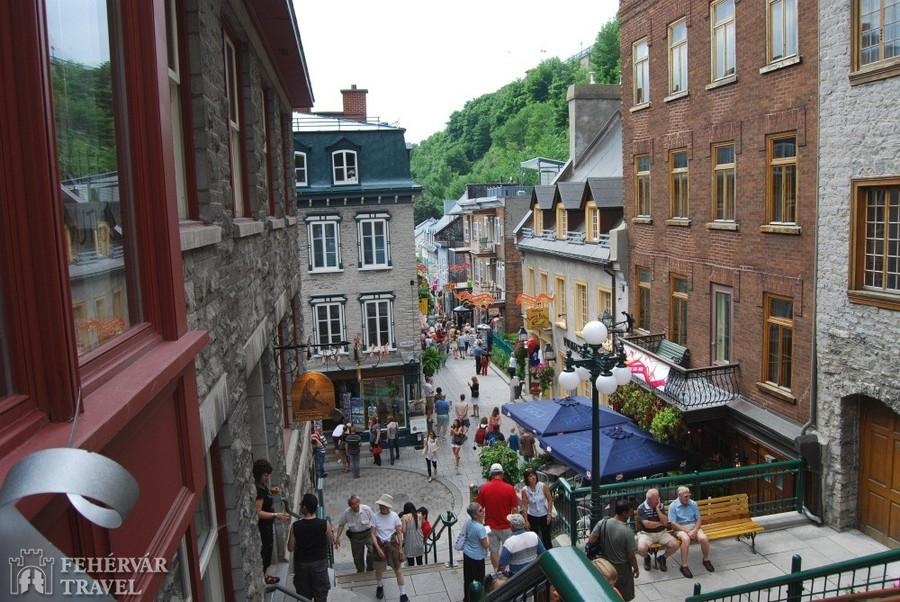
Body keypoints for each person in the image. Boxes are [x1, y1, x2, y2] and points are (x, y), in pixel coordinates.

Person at [587, 500, 639, 601]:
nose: (631, 514)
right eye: (630, 512)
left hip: (606, 566)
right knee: (624, 596)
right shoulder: (628, 532)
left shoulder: (603, 522)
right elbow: (631, 555)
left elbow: (591, 540)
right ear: (624, 513)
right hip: (622, 569)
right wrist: (636, 568)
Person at [288, 493, 334, 602]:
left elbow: (290, 547)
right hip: (319, 564)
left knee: (304, 597)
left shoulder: (296, 526)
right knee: (321, 596)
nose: (300, 506)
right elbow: (331, 541)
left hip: (302, 565)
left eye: (301, 504)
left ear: (305, 507)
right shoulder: (324, 524)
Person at [475, 463, 520, 571]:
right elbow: (515, 509)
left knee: (494, 551)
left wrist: (481, 523)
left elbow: (479, 508)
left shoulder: (484, 488)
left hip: (491, 526)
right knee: (510, 550)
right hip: (507, 526)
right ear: (502, 474)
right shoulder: (509, 488)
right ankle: (509, 571)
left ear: (491, 475)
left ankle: (498, 572)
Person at [254, 459, 290, 585]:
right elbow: (258, 512)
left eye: (268, 475)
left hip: (268, 525)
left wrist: (271, 491)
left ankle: (265, 575)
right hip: (264, 527)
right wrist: (276, 515)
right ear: (259, 474)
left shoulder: (262, 486)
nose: (267, 478)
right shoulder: (258, 491)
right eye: (265, 475)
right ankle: (264, 577)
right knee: (266, 550)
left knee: (268, 549)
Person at [668, 485, 714, 578]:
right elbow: (673, 524)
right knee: (686, 539)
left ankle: (706, 560)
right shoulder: (673, 506)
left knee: (704, 538)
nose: (688, 498)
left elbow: (698, 519)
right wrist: (687, 531)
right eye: (686, 496)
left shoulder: (693, 504)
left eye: (689, 496)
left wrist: (695, 530)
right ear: (679, 495)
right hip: (680, 528)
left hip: (693, 526)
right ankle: (684, 566)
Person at [371, 494, 409, 602]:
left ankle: (403, 594)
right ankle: (379, 586)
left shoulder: (394, 516)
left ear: (388, 506)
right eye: (380, 505)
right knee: (379, 569)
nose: (381, 507)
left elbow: (399, 533)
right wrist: (378, 548)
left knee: (398, 570)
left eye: (384, 505)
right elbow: (372, 534)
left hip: (392, 544)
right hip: (380, 544)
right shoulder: (375, 516)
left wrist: (401, 548)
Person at [636, 488, 679, 573]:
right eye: (656, 499)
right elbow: (647, 524)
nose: (658, 500)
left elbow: (665, 521)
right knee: (641, 549)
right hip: (646, 534)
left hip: (661, 533)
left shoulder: (660, 506)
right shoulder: (641, 508)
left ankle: (663, 558)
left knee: (675, 545)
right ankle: (646, 557)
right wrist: (661, 523)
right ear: (649, 500)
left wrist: (657, 509)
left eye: (658, 498)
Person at [334, 495, 375, 573]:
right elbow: (341, 525)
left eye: (356, 504)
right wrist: (337, 538)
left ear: (359, 502)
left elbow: (374, 521)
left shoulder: (366, 509)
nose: (355, 506)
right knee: (357, 556)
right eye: (352, 505)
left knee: (372, 551)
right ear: (349, 506)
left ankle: (370, 568)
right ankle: (360, 570)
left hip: (368, 533)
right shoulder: (347, 512)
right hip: (355, 537)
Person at [461, 502, 490, 602]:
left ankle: (467, 598)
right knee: (479, 580)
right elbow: (486, 545)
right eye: (480, 510)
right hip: (477, 558)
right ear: (475, 515)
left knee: (467, 579)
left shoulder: (469, 522)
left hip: (467, 554)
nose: (483, 511)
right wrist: (488, 536)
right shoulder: (480, 528)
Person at [520, 468, 554, 550]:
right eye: (530, 476)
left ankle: (549, 552)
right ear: (527, 478)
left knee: (546, 536)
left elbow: (550, 499)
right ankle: (537, 553)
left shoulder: (543, 486)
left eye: (534, 475)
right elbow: (524, 505)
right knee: (534, 537)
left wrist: (549, 514)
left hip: (544, 515)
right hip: (532, 515)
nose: (533, 477)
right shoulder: (524, 490)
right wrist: (526, 520)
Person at [401, 502, 425, 566]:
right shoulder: (419, 515)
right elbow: (421, 525)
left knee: (411, 562)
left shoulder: (404, 517)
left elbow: (404, 530)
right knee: (420, 561)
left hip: (409, 541)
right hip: (419, 539)